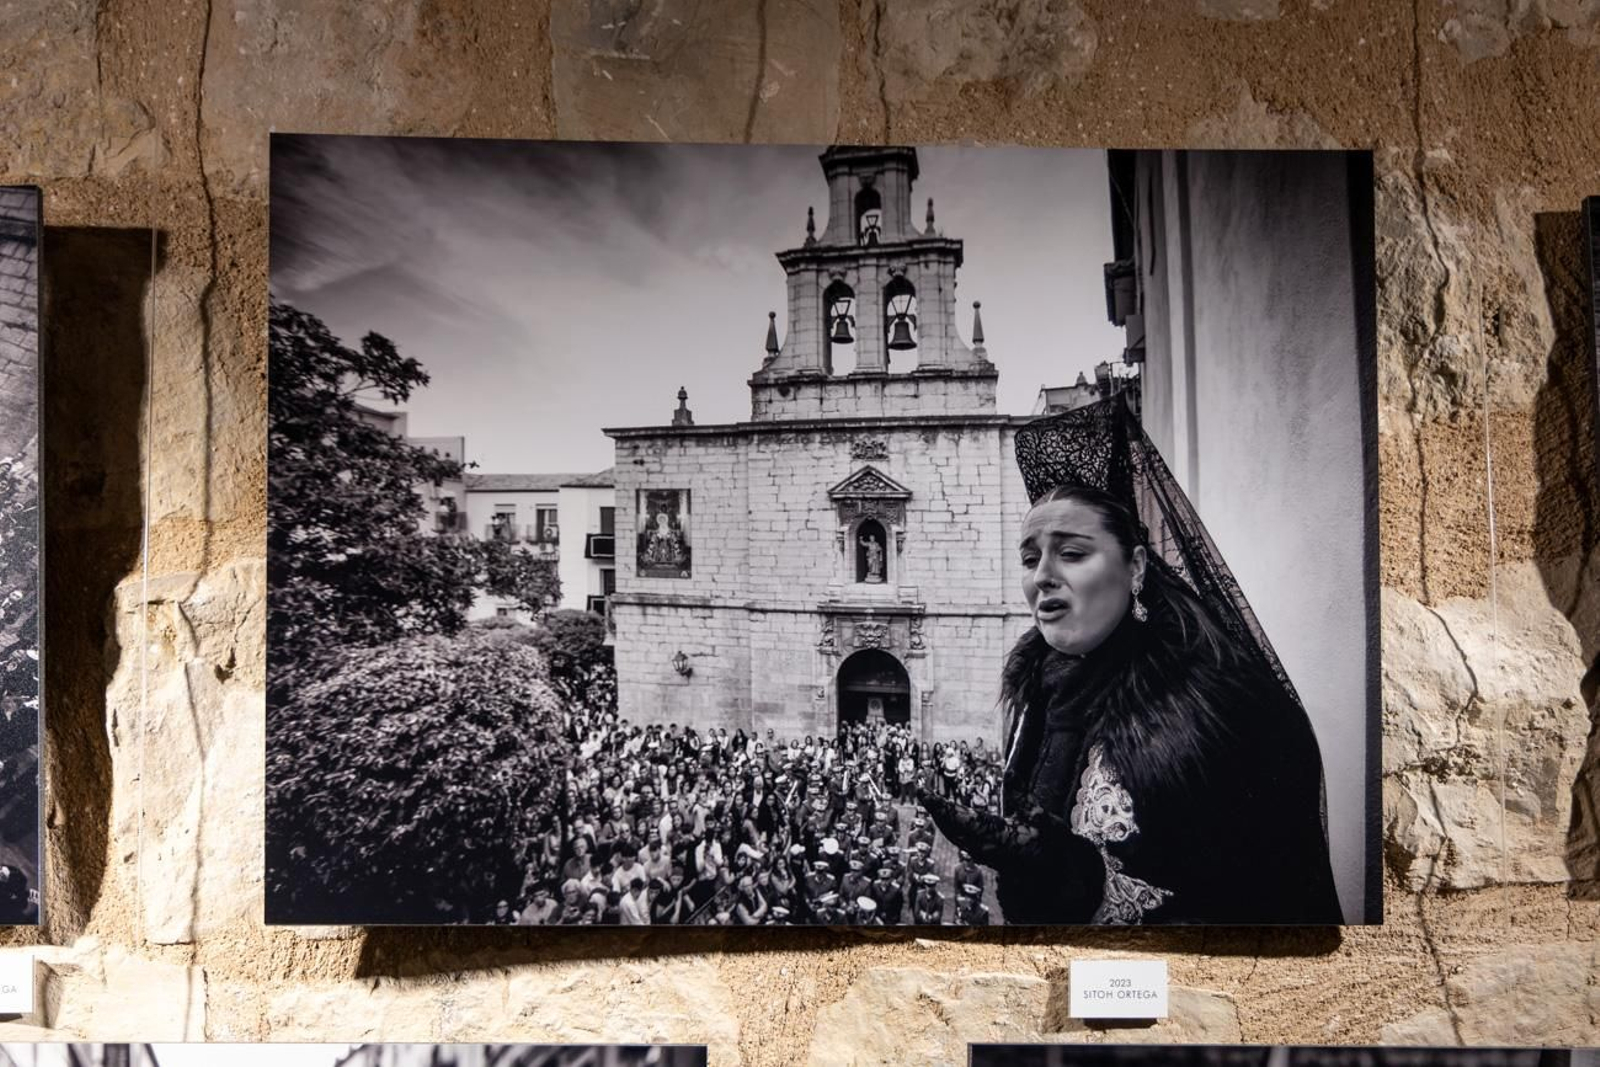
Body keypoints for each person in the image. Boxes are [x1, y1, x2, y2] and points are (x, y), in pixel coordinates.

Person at [921, 466, 1343, 924]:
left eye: (1072, 553)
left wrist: (1087, 886)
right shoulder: (1037, 688)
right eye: (1029, 559)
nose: (1042, 576)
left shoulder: (1217, 709)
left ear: (1135, 566)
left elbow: (1262, 902)